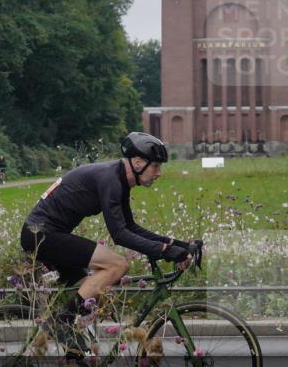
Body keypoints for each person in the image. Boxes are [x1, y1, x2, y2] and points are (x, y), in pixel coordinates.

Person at [20, 132, 193, 354]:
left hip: (49, 235)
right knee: (118, 265)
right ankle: (61, 323)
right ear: (138, 162)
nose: (159, 173)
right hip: (41, 234)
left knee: (96, 297)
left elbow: (131, 227)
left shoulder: (118, 179)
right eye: (156, 166)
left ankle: (78, 362)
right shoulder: (110, 180)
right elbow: (119, 234)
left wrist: (178, 245)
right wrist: (166, 251)